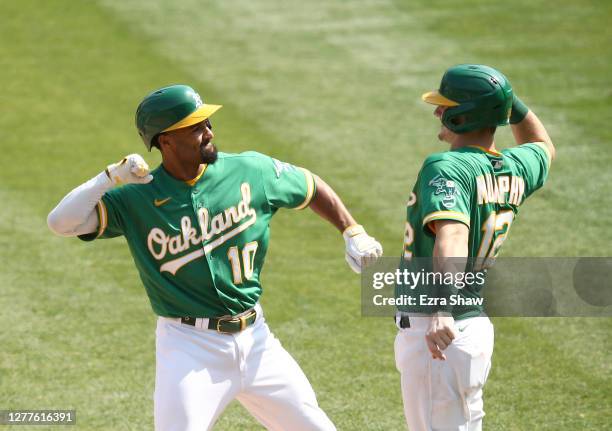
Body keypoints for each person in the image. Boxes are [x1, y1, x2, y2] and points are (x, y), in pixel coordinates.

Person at [47, 84, 382, 431]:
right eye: (196, 127)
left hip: (257, 341)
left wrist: (351, 230)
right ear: (166, 141)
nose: (208, 132)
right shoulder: (137, 199)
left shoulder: (251, 170)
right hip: (189, 348)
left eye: (206, 122)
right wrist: (109, 178)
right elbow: (61, 223)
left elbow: (310, 185)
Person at [394, 65, 555, 430]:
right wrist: (506, 101)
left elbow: (451, 237)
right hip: (471, 327)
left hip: (439, 333)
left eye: (445, 105)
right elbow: (543, 146)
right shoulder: (516, 166)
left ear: (467, 114)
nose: (438, 112)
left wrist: (441, 309)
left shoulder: (447, 167)